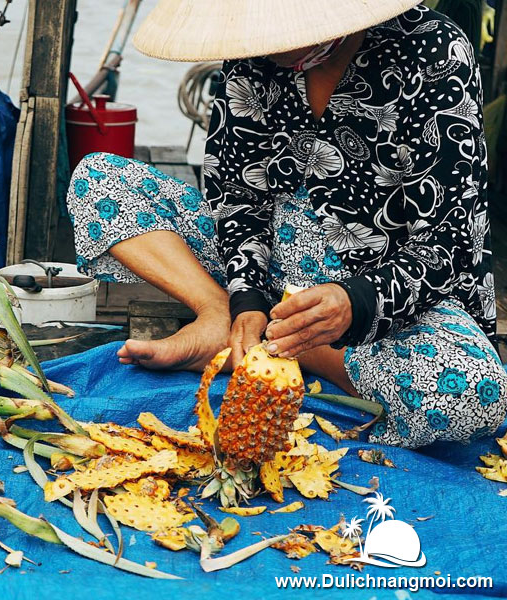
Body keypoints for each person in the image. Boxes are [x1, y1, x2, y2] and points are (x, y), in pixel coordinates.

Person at [65, 0, 507, 448]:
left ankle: (283, 346)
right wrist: (245, 299)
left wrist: (353, 303)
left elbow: (452, 242)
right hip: (269, 264)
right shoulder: (251, 55)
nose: (272, 42)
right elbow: (237, 201)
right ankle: (222, 316)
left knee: (470, 394)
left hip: (384, 290)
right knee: (98, 180)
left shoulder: (434, 50)